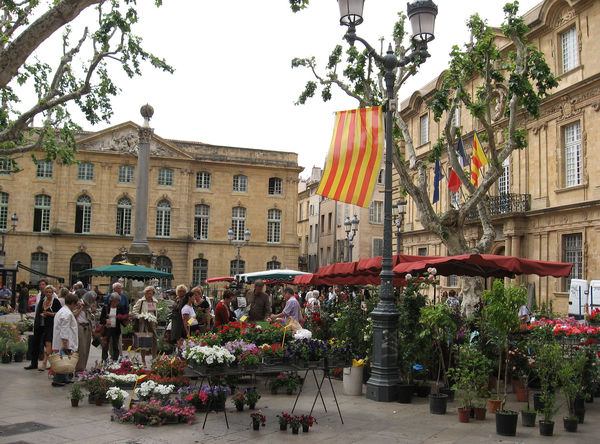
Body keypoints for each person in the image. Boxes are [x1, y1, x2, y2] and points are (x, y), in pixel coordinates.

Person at [51, 292, 79, 387]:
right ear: (72, 303)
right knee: (62, 360)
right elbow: (65, 328)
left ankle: (65, 377)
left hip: (64, 340)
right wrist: (64, 342)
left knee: (66, 359)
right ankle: (58, 379)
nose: (75, 306)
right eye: (75, 304)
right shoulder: (66, 313)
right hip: (65, 341)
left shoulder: (63, 311)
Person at [25, 279, 50, 370]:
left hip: (47, 324)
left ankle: (48, 363)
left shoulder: (52, 295)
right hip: (39, 323)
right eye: (40, 285)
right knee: (35, 343)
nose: (41, 286)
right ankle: (33, 363)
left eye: (43, 284)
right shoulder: (39, 295)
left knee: (47, 344)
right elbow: (36, 309)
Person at [132, 286, 158, 367]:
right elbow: (134, 311)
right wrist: (141, 316)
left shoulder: (154, 301)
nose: (150, 295)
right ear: (145, 293)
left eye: (151, 293)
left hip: (152, 322)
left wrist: (155, 319)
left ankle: (154, 359)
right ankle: (143, 360)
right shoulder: (141, 301)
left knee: (154, 340)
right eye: (148, 293)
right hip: (143, 322)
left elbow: (155, 312)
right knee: (143, 341)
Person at [38, 285, 62, 371]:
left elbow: (60, 313)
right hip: (45, 325)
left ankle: (44, 362)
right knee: (48, 344)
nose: (48, 294)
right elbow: (40, 311)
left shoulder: (55, 302)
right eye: (47, 292)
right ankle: (53, 363)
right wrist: (43, 314)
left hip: (53, 325)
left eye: (50, 292)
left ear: (53, 293)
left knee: (48, 343)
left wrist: (49, 314)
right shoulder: (43, 301)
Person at [73, 290, 96, 373]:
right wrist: (80, 307)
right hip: (80, 327)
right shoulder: (79, 303)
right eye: (93, 299)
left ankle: (83, 367)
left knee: (86, 348)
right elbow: (73, 314)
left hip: (87, 327)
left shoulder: (88, 306)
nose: (93, 302)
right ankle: (79, 369)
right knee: (81, 349)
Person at [100, 293, 127, 361]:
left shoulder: (120, 308)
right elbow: (101, 319)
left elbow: (122, 318)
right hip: (107, 329)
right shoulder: (106, 307)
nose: (115, 303)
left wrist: (124, 319)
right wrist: (106, 320)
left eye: (117, 301)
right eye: (114, 301)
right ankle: (104, 359)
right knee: (105, 345)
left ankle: (115, 359)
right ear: (111, 300)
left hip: (116, 328)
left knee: (115, 345)